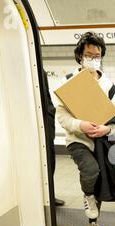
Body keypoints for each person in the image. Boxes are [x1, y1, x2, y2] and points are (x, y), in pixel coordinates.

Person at [56, 32, 115, 226]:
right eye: (89, 55)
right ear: (80, 56)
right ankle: (87, 196)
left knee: (100, 182)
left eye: (97, 56)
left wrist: (107, 130)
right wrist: (81, 125)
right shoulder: (69, 81)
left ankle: (93, 222)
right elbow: (62, 116)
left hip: (102, 141)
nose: (93, 59)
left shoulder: (110, 87)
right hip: (78, 139)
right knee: (90, 169)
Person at [42, 68, 65, 207]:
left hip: (46, 119)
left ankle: (49, 194)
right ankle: (46, 195)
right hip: (41, 119)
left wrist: (50, 113)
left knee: (50, 160)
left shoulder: (40, 70)